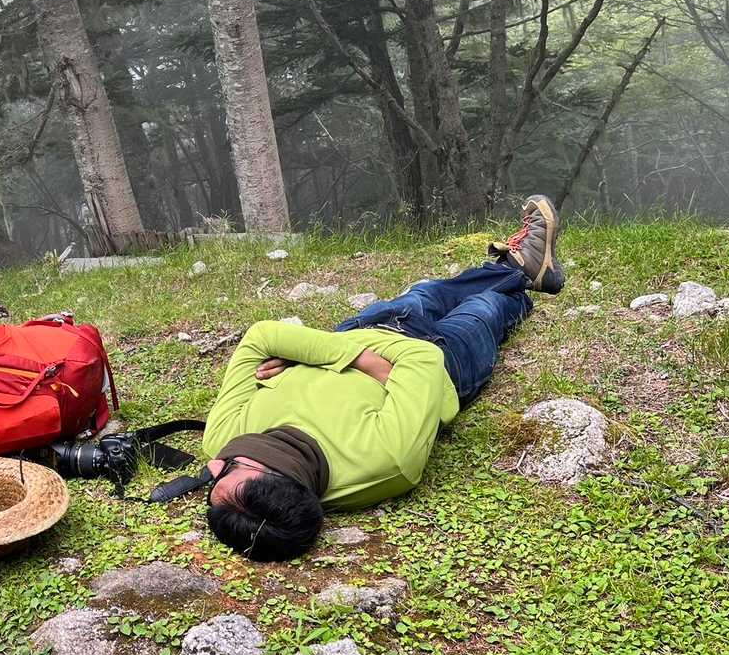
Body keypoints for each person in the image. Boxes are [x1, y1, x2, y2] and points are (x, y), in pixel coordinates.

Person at [199, 194, 565, 561]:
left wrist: (367, 364)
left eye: (211, 483)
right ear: (277, 475)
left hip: (359, 329)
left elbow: (261, 335)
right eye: (225, 471)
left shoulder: (222, 439)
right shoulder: (385, 460)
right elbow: (424, 359)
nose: (212, 464)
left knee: (427, 291)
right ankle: (519, 275)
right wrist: (312, 354)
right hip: (446, 358)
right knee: (484, 308)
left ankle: (515, 267)